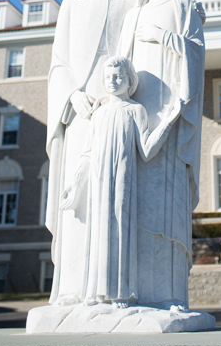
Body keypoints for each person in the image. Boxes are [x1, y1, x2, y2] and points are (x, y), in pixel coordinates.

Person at [47, 0, 134, 306]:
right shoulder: (75, 2)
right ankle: (71, 288)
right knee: (78, 198)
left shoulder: (139, 0)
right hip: (81, 111)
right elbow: (59, 62)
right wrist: (73, 94)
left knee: (116, 196)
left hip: (122, 110)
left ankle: (115, 287)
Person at [121, 0, 205, 309]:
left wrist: (167, 39)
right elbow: (120, 66)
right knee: (137, 204)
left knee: (168, 204)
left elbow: (197, 55)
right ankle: (136, 290)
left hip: (171, 114)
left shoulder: (183, 8)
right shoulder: (134, 16)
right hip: (140, 116)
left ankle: (171, 293)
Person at [60, 56, 177, 308]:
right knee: (98, 233)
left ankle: (120, 293)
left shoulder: (136, 111)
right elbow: (89, 152)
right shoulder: (99, 113)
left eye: (119, 77)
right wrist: (76, 181)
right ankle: (93, 293)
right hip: (99, 183)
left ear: (130, 80)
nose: (112, 82)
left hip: (124, 181)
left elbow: (146, 150)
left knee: (120, 232)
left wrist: (167, 123)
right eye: (108, 78)